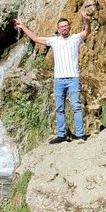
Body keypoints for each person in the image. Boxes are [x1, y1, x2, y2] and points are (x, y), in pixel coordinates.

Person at [14, 10, 91, 143]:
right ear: (58, 29)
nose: (64, 28)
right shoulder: (54, 41)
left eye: (66, 26)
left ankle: (80, 135)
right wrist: (23, 26)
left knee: (76, 107)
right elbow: (36, 38)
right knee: (59, 108)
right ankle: (61, 135)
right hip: (58, 80)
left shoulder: (75, 38)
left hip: (73, 78)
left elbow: (87, 31)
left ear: (69, 27)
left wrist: (86, 20)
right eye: (62, 27)